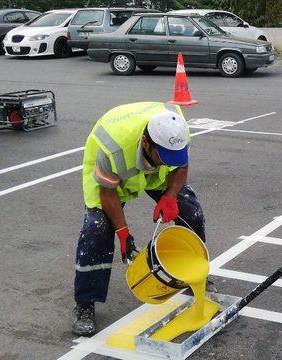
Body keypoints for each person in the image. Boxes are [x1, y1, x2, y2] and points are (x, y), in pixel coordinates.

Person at [72, 102, 207, 336]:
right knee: (96, 230)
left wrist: (171, 196)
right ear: (146, 142)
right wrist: (123, 232)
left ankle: (196, 277)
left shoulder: (177, 131)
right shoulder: (111, 147)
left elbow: (181, 164)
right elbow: (107, 192)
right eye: (165, 156)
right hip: (114, 179)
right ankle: (85, 302)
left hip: (154, 175)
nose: (170, 161)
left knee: (191, 210)